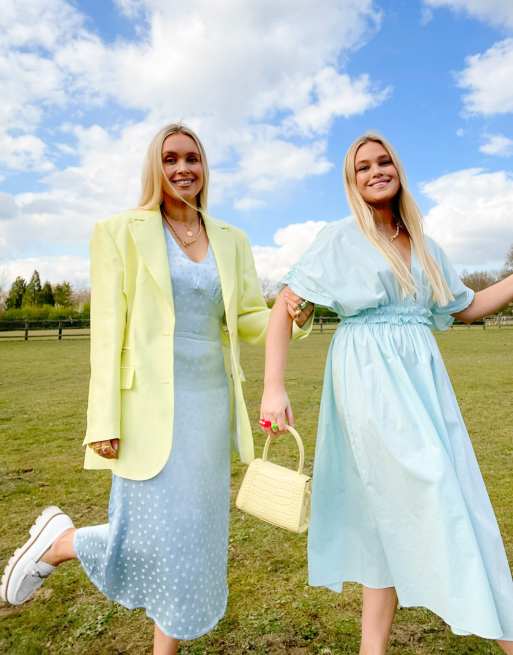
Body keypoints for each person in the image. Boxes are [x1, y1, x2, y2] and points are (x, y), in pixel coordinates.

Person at [0, 123, 311, 655]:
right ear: (155, 167)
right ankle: (60, 543)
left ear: (204, 167)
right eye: (171, 158)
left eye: (192, 157)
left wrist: (290, 313)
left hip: (209, 406)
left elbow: (245, 319)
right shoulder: (119, 231)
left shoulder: (231, 239)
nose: (183, 168)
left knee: (190, 541)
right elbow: (107, 334)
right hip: (145, 408)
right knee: (145, 538)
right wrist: (103, 420)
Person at [261, 132, 513, 655]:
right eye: (363, 167)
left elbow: (464, 307)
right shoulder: (339, 238)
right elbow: (285, 309)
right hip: (369, 382)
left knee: (390, 514)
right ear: (351, 181)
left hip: (424, 385)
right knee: (443, 497)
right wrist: (273, 388)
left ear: (398, 169)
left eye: (384, 162)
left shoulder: (423, 242)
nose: (376, 171)